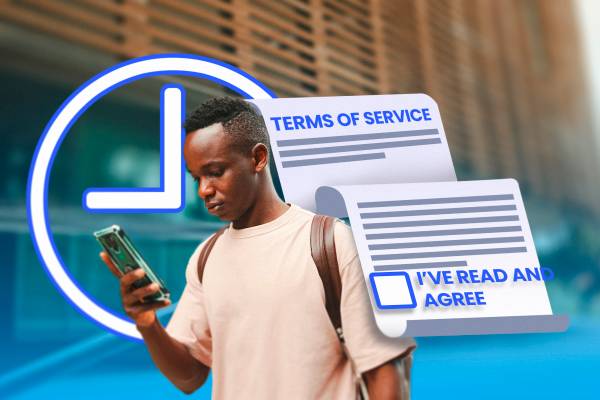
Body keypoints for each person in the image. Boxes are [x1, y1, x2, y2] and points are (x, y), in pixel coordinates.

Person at [100, 97, 416, 399]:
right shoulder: (206, 259)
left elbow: (386, 370)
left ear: (258, 158)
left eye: (215, 172)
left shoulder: (331, 241)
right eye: (196, 177)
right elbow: (189, 376)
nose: (203, 190)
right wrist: (148, 324)